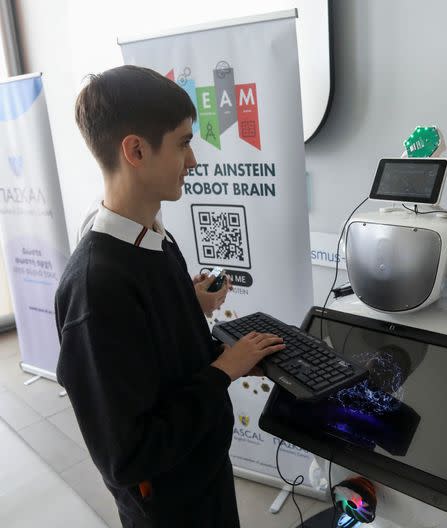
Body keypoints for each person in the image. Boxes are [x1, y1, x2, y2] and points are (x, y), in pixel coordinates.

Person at [55, 65, 286, 527]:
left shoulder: (156, 237)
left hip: (202, 469)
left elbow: (157, 354)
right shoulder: (95, 288)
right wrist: (224, 369)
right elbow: (130, 453)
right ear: (136, 150)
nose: (194, 161)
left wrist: (189, 305)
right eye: (182, 143)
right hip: (168, 506)